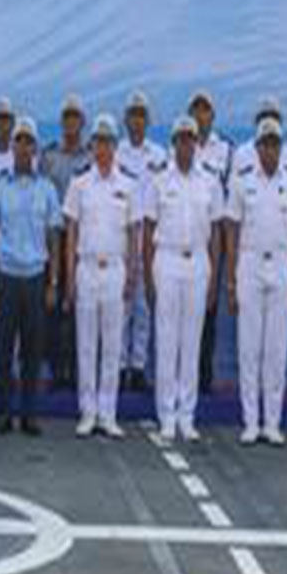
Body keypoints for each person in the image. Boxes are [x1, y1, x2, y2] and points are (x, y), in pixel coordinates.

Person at [225, 118, 287, 445]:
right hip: (250, 262)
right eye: (265, 144)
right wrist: (231, 279)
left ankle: (272, 421)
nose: (270, 150)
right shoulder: (242, 182)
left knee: (276, 347)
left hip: (282, 263)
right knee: (249, 346)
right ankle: (250, 420)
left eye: (276, 144)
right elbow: (231, 231)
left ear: (282, 148)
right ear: (257, 148)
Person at [143, 115, 224, 442]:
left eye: (191, 139)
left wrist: (215, 276)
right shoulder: (159, 181)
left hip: (198, 261)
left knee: (191, 342)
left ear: (197, 143)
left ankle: (187, 415)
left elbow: (217, 233)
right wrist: (149, 278)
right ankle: (166, 413)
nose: (186, 145)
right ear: (173, 143)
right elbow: (148, 229)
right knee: (167, 341)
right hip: (167, 259)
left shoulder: (210, 181)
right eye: (181, 139)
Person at [63, 113, 140, 438]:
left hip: (115, 270)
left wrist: (134, 272)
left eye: (109, 142)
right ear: (92, 146)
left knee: (112, 345)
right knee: (86, 344)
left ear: (116, 146)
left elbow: (135, 233)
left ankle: (108, 414)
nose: (104, 148)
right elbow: (70, 231)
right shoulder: (79, 184)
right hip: (87, 267)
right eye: (99, 142)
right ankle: (88, 410)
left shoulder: (129, 185)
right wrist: (69, 275)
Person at [0, 116, 61, 436]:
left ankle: (29, 414)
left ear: (36, 148)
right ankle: (3, 413)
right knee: (3, 349)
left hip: (35, 277)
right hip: (5, 276)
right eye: (19, 140)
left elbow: (54, 239)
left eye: (29, 141)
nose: (24, 147)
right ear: (12, 146)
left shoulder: (48, 189)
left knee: (32, 350)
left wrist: (54, 282)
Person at [41, 94, 90, 391]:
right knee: (53, 305)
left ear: (82, 123)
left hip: (83, 237)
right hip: (54, 236)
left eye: (76, 118)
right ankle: (56, 371)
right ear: (62, 123)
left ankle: (75, 371)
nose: (71, 123)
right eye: (67, 118)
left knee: (78, 305)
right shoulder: (48, 157)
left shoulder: (89, 157)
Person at [117, 91, 165, 394]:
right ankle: (120, 366)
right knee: (122, 307)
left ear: (148, 121)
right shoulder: (116, 151)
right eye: (132, 114)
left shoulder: (159, 155)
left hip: (152, 234)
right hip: (120, 234)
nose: (136, 120)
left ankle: (138, 367)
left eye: (141, 115)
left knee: (145, 306)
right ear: (126, 120)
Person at [187, 90, 232, 396]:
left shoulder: (226, 149)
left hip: (215, 237)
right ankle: (184, 375)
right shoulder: (180, 145)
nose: (201, 116)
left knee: (209, 309)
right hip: (186, 236)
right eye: (196, 110)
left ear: (212, 116)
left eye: (206, 111)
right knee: (184, 313)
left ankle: (204, 374)